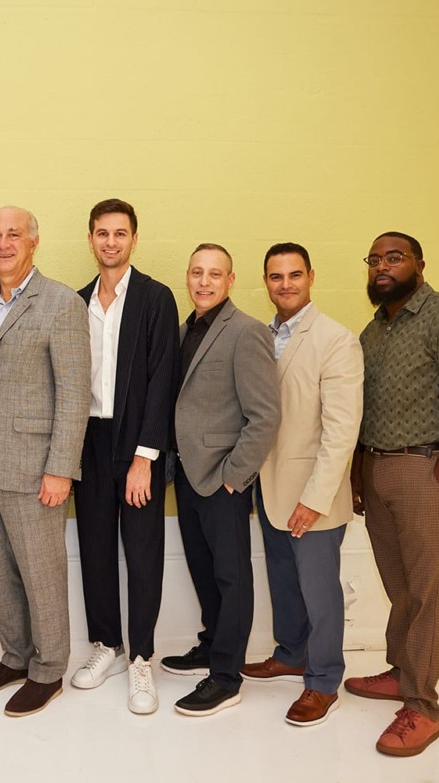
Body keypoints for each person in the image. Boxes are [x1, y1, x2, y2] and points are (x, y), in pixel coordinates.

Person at [346, 231, 439, 756]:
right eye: (375, 260)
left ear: (419, 264)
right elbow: (362, 410)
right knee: (401, 582)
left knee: (426, 588)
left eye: (394, 258)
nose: (382, 267)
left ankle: (422, 707)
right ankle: (401, 671)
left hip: (424, 468)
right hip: (379, 468)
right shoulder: (374, 331)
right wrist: (359, 472)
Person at [0, 206, 90, 717]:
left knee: (41, 572)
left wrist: (61, 468)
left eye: (14, 234)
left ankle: (49, 668)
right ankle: (15, 656)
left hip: (36, 467)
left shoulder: (59, 303)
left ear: (34, 242)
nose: (4, 243)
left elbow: (75, 393)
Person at [240, 243, 363, 727]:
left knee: (318, 589)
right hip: (268, 487)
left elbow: (341, 431)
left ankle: (324, 679)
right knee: (284, 583)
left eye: (294, 275)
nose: (285, 284)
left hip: (313, 492)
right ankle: (291, 653)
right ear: (265, 281)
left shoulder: (336, 340)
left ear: (311, 276)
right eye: (275, 276)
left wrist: (314, 499)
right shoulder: (261, 335)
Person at [161, 243, 280, 717]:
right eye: (196, 272)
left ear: (231, 281)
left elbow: (265, 416)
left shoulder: (246, 332)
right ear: (187, 277)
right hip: (187, 476)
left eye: (215, 274)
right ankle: (211, 645)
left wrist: (235, 477)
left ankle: (226, 676)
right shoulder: (185, 329)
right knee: (203, 570)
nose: (204, 281)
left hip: (223, 480)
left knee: (232, 578)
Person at [70, 199, 178, 715]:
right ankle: (106, 646)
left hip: (138, 444)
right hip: (88, 442)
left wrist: (144, 458)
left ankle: (142, 658)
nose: (110, 242)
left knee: (142, 551)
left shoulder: (156, 299)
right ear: (90, 239)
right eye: (101, 233)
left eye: (120, 233)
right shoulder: (76, 302)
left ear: (134, 239)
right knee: (93, 547)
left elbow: (162, 381)